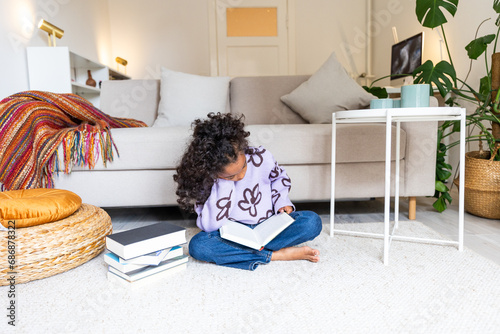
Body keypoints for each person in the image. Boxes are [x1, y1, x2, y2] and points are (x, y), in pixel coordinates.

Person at [174, 113, 322, 270]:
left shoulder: (261, 157)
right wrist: (223, 184)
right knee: (199, 246)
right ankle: (276, 254)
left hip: (269, 227)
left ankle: (250, 252)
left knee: (312, 222)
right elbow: (210, 226)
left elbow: (279, 178)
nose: (241, 176)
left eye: (243, 167)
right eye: (231, 176)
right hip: (234, 235)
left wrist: (282, 202)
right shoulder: (208, 178)